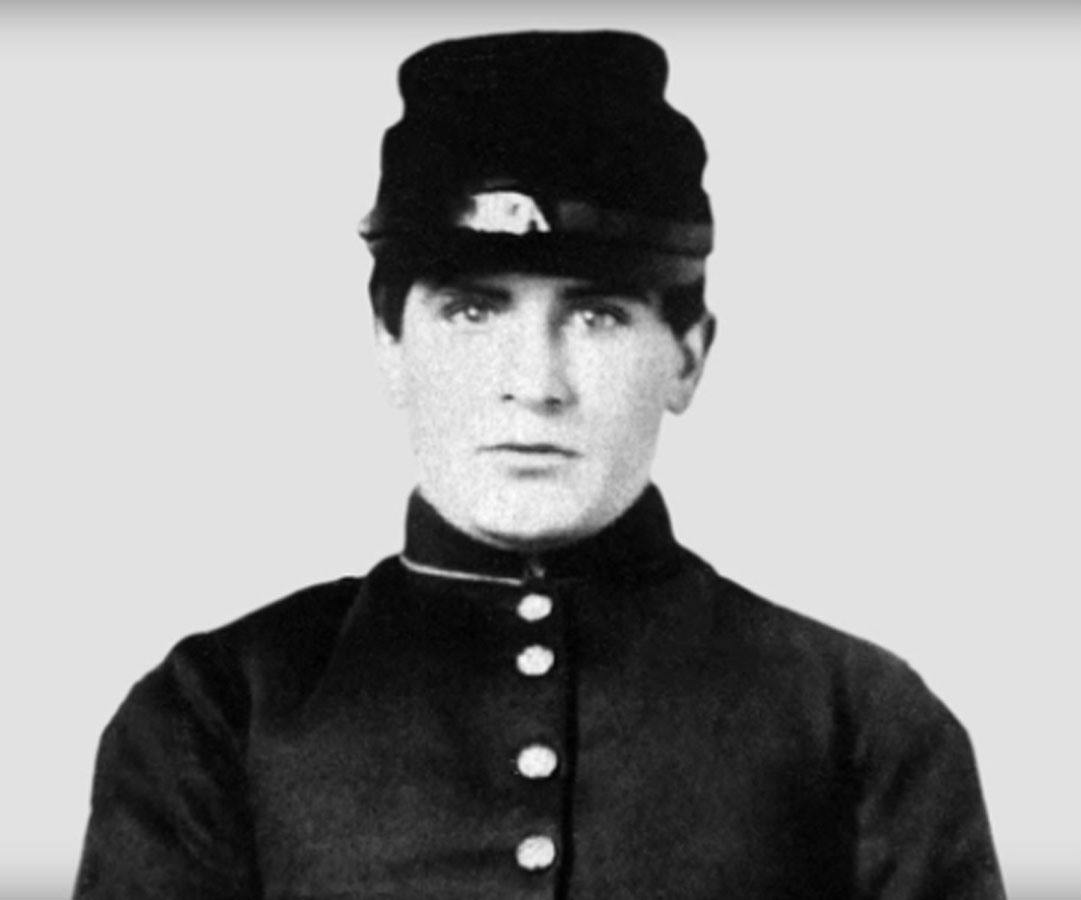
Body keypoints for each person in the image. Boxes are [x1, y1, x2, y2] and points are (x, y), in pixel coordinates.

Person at [73, 30, 1006, 900]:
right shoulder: (220, 709)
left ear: (687, 357)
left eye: (597, 316)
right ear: (390, 345)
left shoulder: (859, 719)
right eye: (471, 312)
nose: (534, 383)